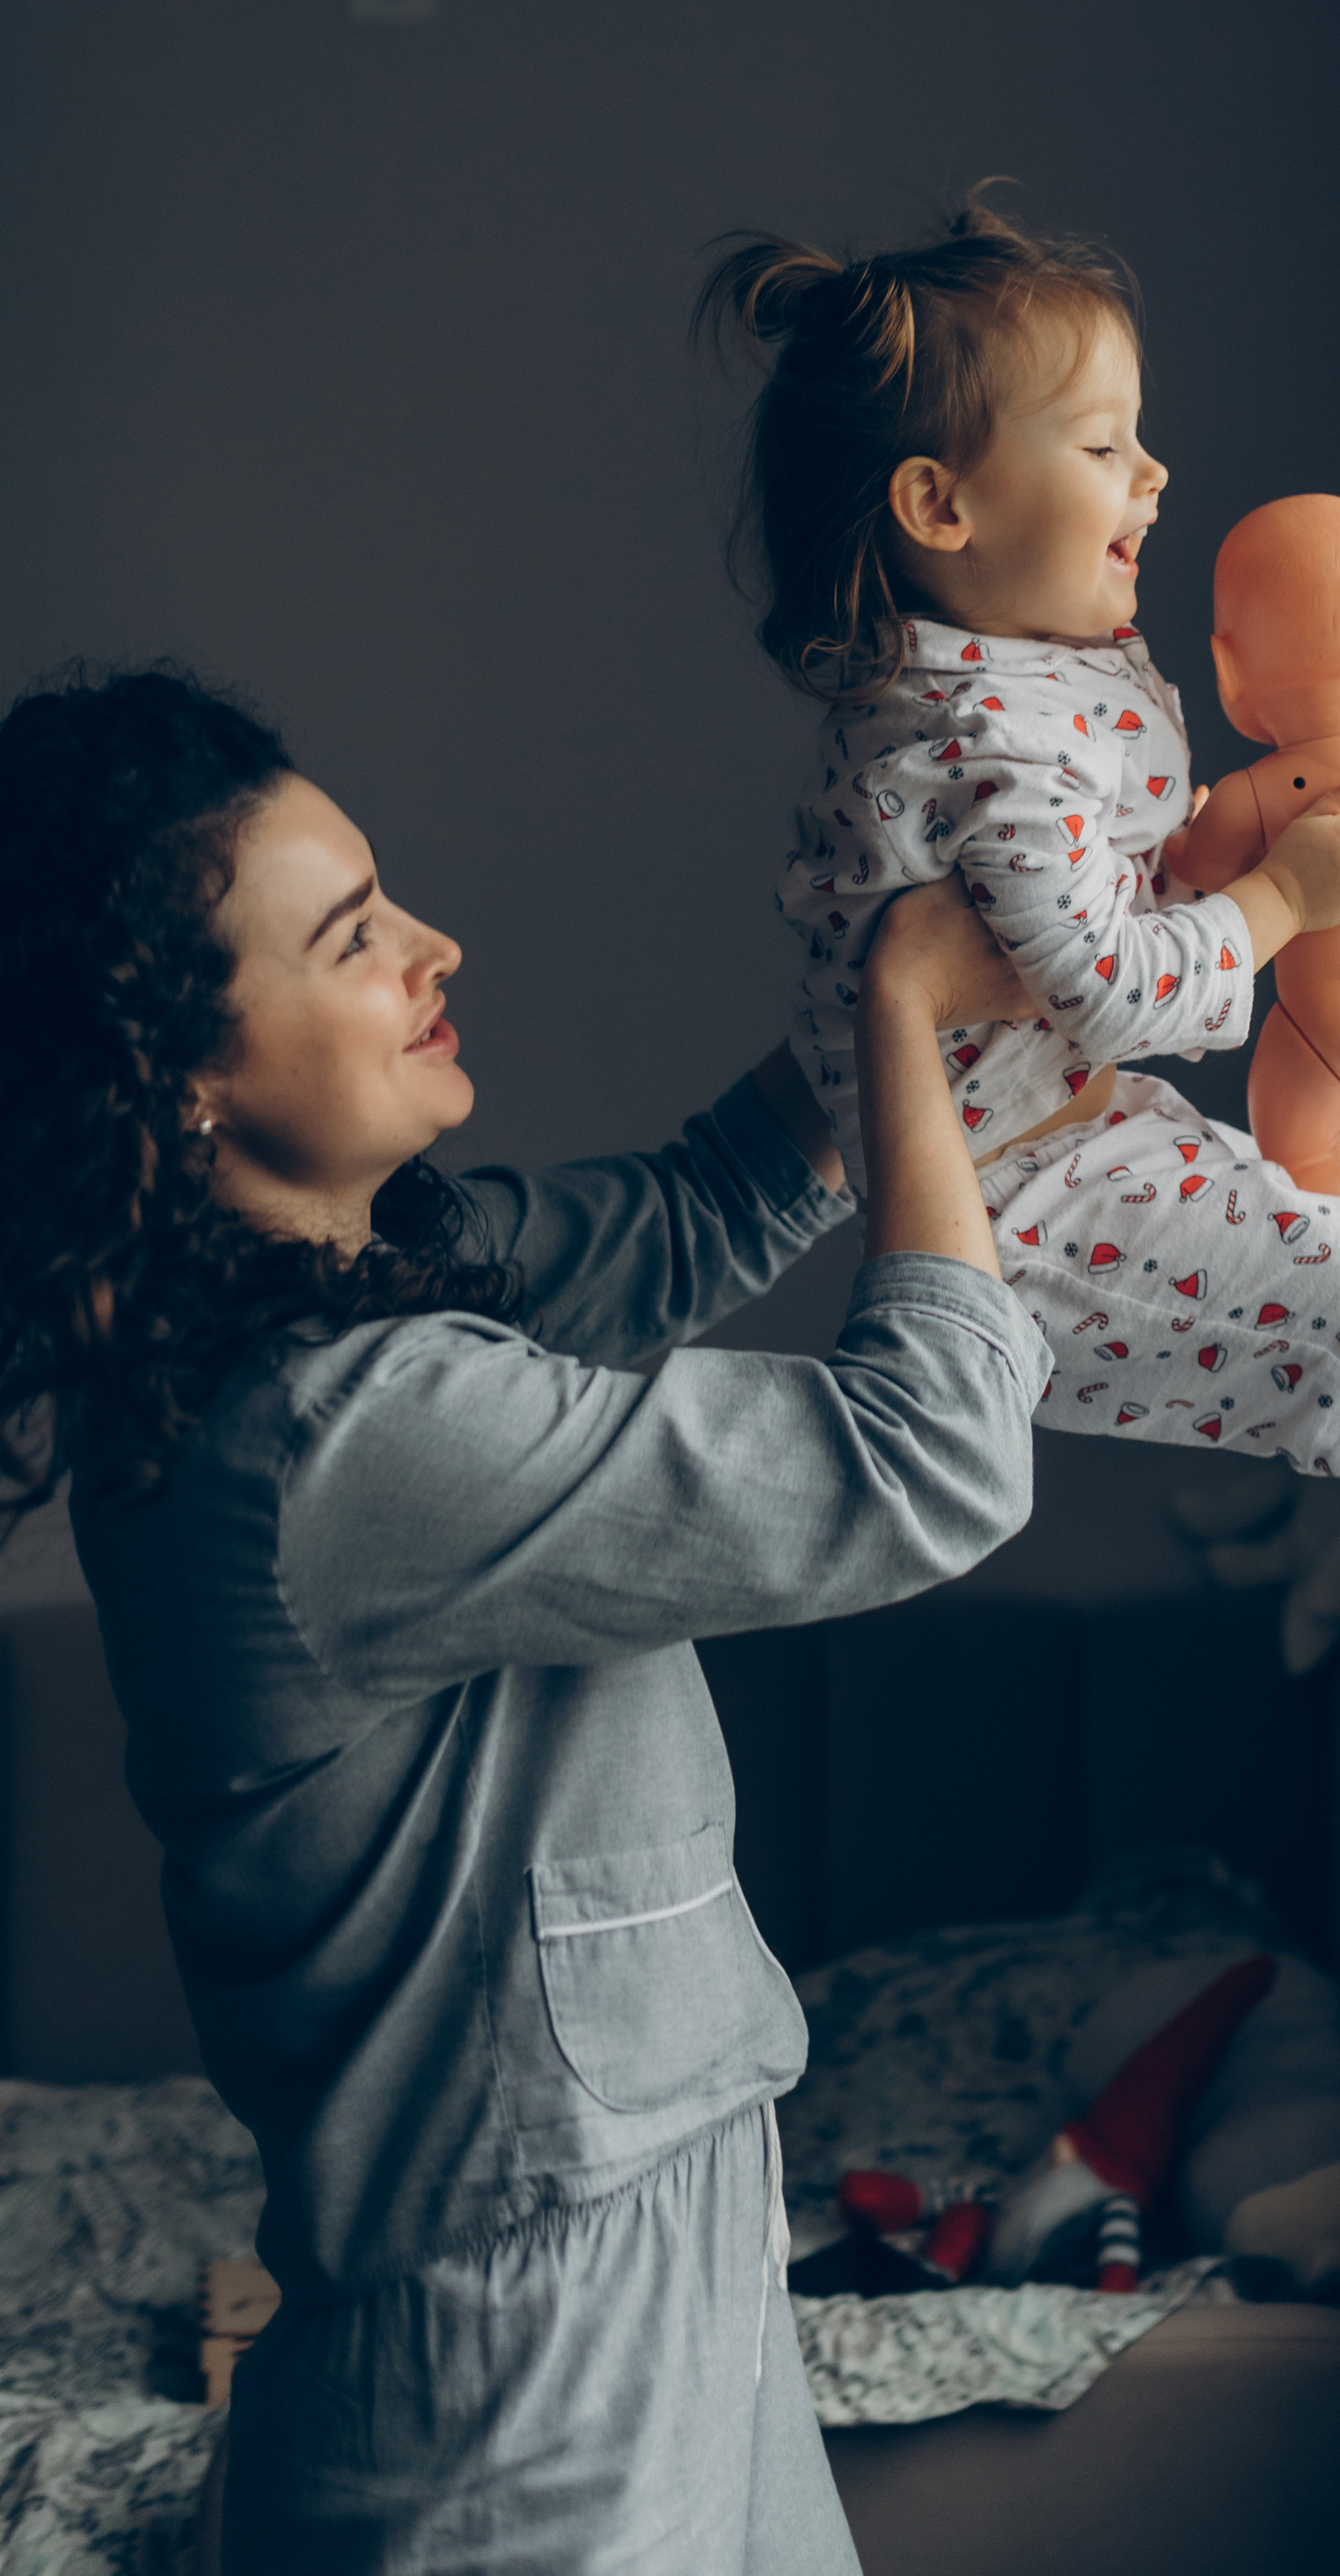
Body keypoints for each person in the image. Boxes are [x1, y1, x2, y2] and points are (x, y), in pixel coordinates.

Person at [0, 663, 1047, 2572]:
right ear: (178, 1075)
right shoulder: (333, 1436)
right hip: (516, 2378)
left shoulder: (345, 1302)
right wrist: (902, 1013)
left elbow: (704, 1203)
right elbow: (927, 1461)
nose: (433, 946)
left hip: (640, 2269)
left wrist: (927, 927)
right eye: (352, 937)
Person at [707, 203, 1340, 1659]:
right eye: (1102, 446)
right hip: (1026, 1213)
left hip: (1072, 1143)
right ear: (941, 507)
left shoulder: (1008, 679)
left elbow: (1098, 892)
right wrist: (1284, 900)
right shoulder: (985, 744)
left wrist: (1225, 843)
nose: (1153, 474)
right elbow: (1110, 987)